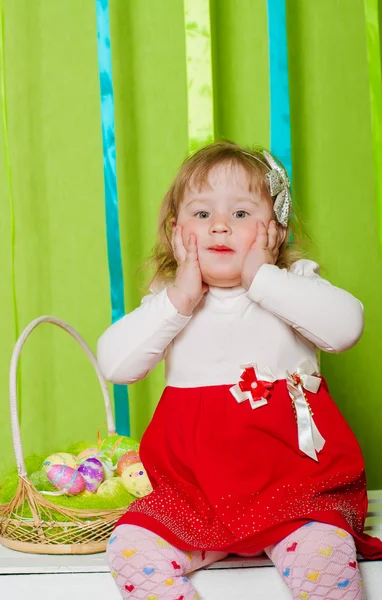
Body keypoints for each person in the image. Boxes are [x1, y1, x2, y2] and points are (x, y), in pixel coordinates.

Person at [97, 140, 382, 600]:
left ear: (277, 230)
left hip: (295, 493)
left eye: (243, 214)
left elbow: (347, 327)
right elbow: (114, 363)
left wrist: (262, 278)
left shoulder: (293, 285)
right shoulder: (169, 303)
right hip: (196, 498)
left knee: (324, 559)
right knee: (130, 547)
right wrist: (179, 301)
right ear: (176, 232)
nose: (221, 226)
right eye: (203, 214)